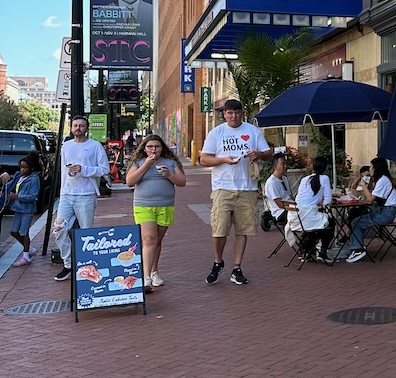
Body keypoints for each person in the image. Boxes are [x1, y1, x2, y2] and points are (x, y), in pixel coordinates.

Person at [199, 98, 273, 284]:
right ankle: (218, 261)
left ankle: (237, 268)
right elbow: (204, 159)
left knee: (243, 230)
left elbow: (268, 153)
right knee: (219, 230)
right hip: (222, 188)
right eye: (230, 113)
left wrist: (258, 154)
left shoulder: (252, 130)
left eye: (237, 112)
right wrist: (223, 160)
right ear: (224, 114)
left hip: (247, 188)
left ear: (242, 113)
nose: (234, 116)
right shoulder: (217, 132)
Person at [52, 115, 111, 282]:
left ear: (87, 128)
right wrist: (63, 190)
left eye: (81, 126)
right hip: (67, 194)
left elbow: (104, 169)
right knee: (59, 229)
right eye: (75, 125)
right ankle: (68, 264)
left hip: (86, 195)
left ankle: (86, 265)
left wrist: (84, 169)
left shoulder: (95, 146)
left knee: (86, 232)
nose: (78, 128)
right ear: (71, 128)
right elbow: (63, 171)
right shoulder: (66, 146)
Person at [125, 135, 185, 290]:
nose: (153, 150)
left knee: (157, 240)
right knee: (149, 239)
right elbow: (130, 181)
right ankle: (145, 277)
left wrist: (168, 175)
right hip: (144, 206)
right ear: (144, 148)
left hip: (165, 206)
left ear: (162, 148)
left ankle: (154, 271)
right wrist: (146, 165)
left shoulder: (171, 163)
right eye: (150, 147)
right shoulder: (138, 162)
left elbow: (182, 182)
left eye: (156, 147)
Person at [345, 157, 396, 263]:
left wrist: (364, 185)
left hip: (386, 213)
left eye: (371, 167)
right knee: (355, 216)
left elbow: (370, 200)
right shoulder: (381, 179)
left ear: (376, 168)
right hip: (383, 210)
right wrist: (366, 182)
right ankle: (354, 246)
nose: (369, 169)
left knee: (356, 222)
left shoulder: (383, 180)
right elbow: (371, 194)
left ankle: (358, 249)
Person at [288, 156, 335, 263]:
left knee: (318, 224)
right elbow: (327, 201)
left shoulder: (305, 179)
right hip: (308, 217)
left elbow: (302, 198)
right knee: (330, 223)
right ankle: (323, 252)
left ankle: (306, 250)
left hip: (295, 217)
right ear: (325, 168)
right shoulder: (325, 178)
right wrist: (320, 203)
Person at [1, 155, 41, 266]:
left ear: (31, 168)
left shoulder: (34, 179)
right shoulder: (19, 176)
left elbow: (33, 196)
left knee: (24, 233)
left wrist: (17, 196)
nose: (22, 169)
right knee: (14, 231)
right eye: (21, 167)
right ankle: (30, 249)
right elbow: (11, 185)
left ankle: (26, 255)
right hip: (18, 208)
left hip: (27, 209)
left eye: (25, 167)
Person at [263, 152, 293, 228]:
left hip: (289, 208)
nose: (285, 166)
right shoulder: (272, 183)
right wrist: (295, 207)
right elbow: (280, 204)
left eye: (286, 164)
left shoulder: (284, 178)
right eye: (282, 164)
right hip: (281, 212)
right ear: (275, 166)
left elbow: (289, 195)